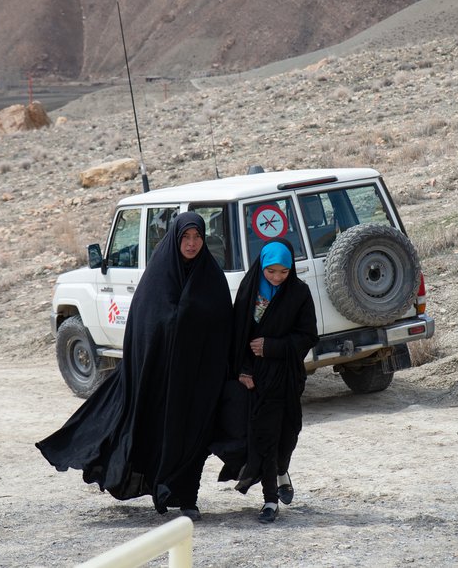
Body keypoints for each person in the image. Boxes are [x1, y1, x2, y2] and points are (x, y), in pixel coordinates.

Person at [35, 212, 232, 521]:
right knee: (161, 434)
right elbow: (143, 330)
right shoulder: (157, 278)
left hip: (198, 379)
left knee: (194, 437)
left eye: (197, 238)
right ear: (175, 239)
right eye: (186, 238)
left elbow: (224, 327)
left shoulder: (212, 278)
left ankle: (188, 498)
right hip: (159, 378)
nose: (192, 244)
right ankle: (164, 489)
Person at [229, 238, 317, 523]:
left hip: (287, 377)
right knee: (265, 437)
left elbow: (308, 336)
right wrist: (243, 369)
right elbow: (237, 334)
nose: (277, 278)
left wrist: (273, 347)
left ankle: (282, 470)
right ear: (262, 267)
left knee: (288, 434)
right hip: (256, 379)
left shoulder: (299, 293)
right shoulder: (249, 290)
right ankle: (269, 500)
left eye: (283, 272)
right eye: (271, 272)